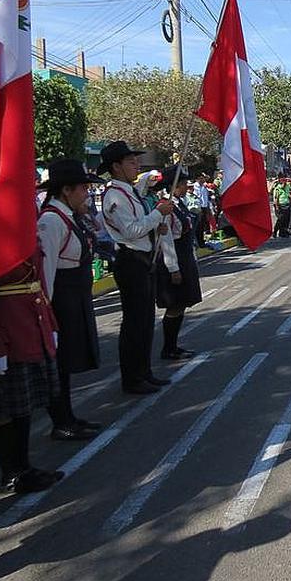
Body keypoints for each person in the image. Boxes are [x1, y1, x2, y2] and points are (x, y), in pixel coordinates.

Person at [0, 205, 65, 494]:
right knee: (3, 406)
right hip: (3, 328)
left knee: (23, 402)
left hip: (31, 324)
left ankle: (24, 466)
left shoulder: (22, 229)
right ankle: (11, 471)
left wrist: (50, 324)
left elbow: (38, 282)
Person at [98, 141, 174, 394]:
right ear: (116, 167)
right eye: (131, 162)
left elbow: (141, 225)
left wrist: (156, 225)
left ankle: (144, 371)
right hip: (130, 261)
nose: (137, 165)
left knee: (144, 320)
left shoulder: (129, 191)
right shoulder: (114, 195)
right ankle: (132, 377)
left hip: (143, 259)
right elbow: (130, 230)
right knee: (134, 322)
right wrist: (157, 215)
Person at [37, 159, 104, 441]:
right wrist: (47, 317)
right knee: (60, 362)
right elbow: (47, 271)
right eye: (83, 189)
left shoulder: (69, 215)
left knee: (68, 361)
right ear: (66, 190)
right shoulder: (51, 220)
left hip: (74, 297)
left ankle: (69, 416)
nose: (87, 194)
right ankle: (60, 421)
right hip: (61, 301)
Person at [154, 165, 203, 361]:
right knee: (175, 304)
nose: (185, 187)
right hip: (174, 260)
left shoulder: (179, 204)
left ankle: (174, 346)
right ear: (172, 187)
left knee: (182, 304)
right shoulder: (165, 207)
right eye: (182, 184)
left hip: (185, 257)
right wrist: (173, 268)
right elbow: (165, 240)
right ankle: (168, 348)